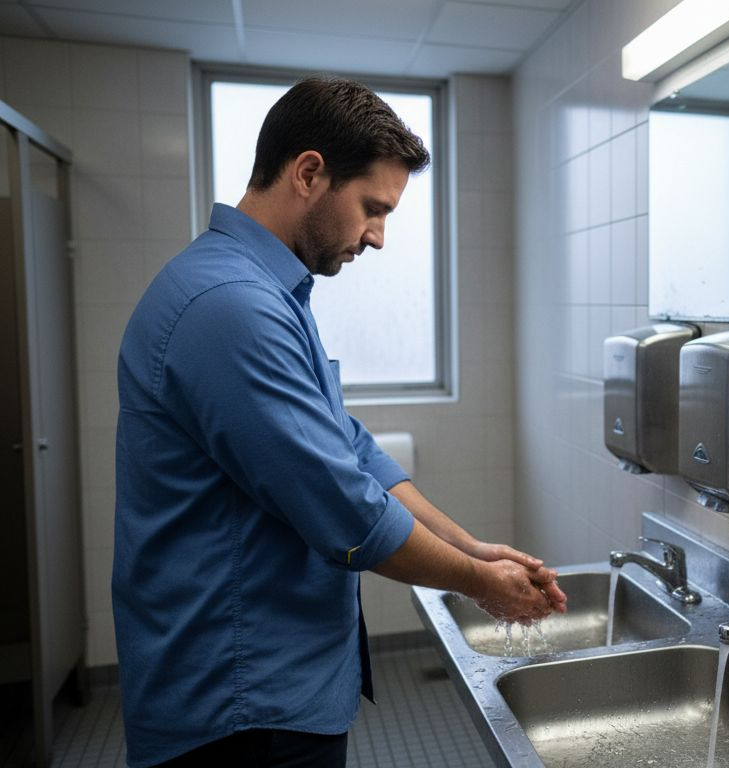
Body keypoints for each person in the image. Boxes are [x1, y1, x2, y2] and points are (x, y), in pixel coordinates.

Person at [112, 76, 566, 768]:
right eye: (372, 208)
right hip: (238, 708)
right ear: (310, 173)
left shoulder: (265, 292)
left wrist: (473, 550)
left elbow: (349, 449)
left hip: (264, 687)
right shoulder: (231, 308)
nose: (378, 238)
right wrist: (479, 584)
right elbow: (345, 511)